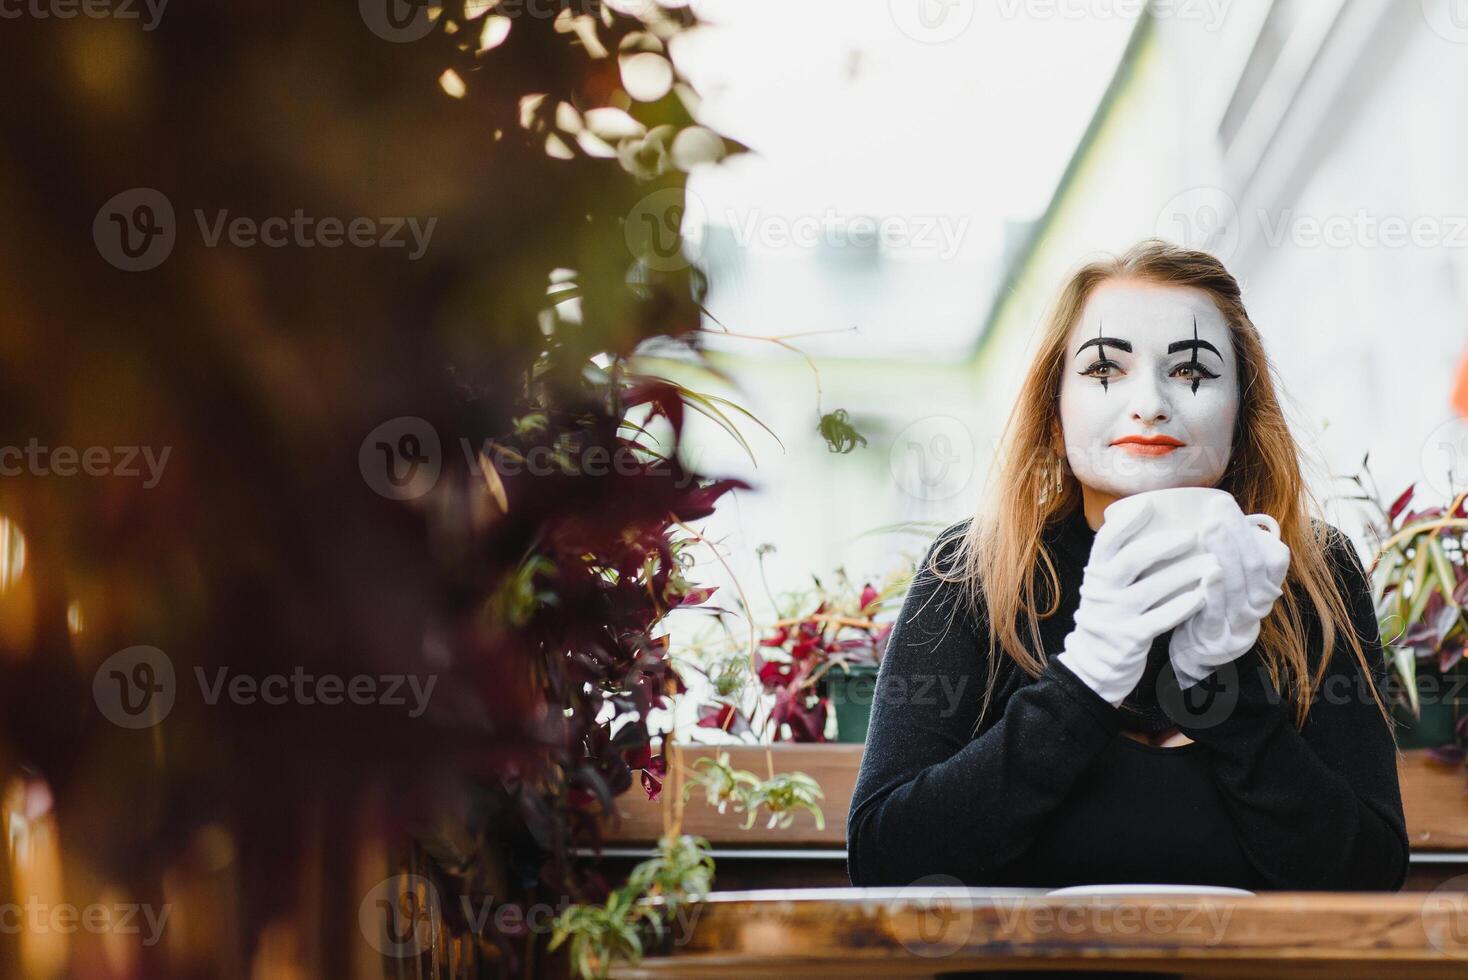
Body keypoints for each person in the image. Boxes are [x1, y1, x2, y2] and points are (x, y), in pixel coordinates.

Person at [847, 241, 1408, 911]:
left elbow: (1368, 874)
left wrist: (1217, 693)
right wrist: (1083, 680)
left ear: (1241, 412)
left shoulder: (1312, 574)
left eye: (1193, 369)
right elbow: (886, 860)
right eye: (1105, 368)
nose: (1149, 404)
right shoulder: (972, 571)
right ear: (1053, 416)